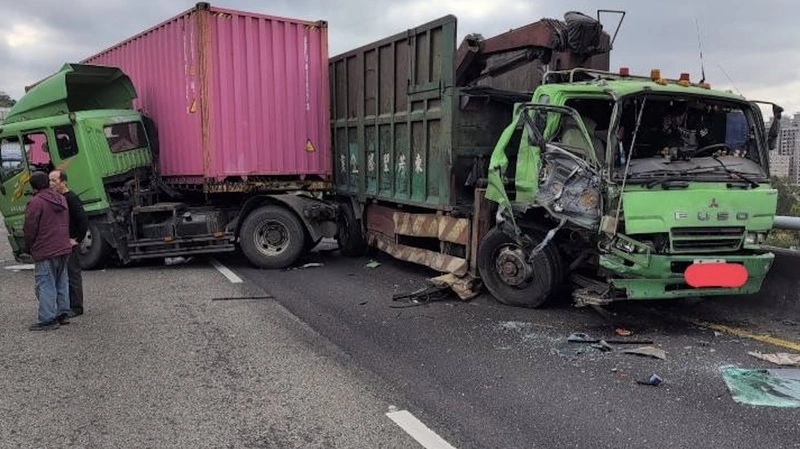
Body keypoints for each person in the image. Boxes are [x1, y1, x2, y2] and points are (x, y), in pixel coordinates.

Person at [23, 170, 72, 331]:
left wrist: (28, 246)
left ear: (33, 186)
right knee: (61, 281)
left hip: (45, 248)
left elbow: (30, 228)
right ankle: (63, 313)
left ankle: (47, 319)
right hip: (63, 246)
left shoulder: (36, 202)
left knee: (45, 283)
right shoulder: (62, 199)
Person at [49, 169, 89, 317]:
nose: (51, 183)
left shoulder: (71, 198)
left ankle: (77, 307)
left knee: (73, 273)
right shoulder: (57, 198)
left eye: (54, 180)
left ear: (63, 181)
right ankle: (64, 305)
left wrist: (77, 239)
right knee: (62, 275)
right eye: (49, 180)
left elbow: (83, 220)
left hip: (70, 243)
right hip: (60, 243)